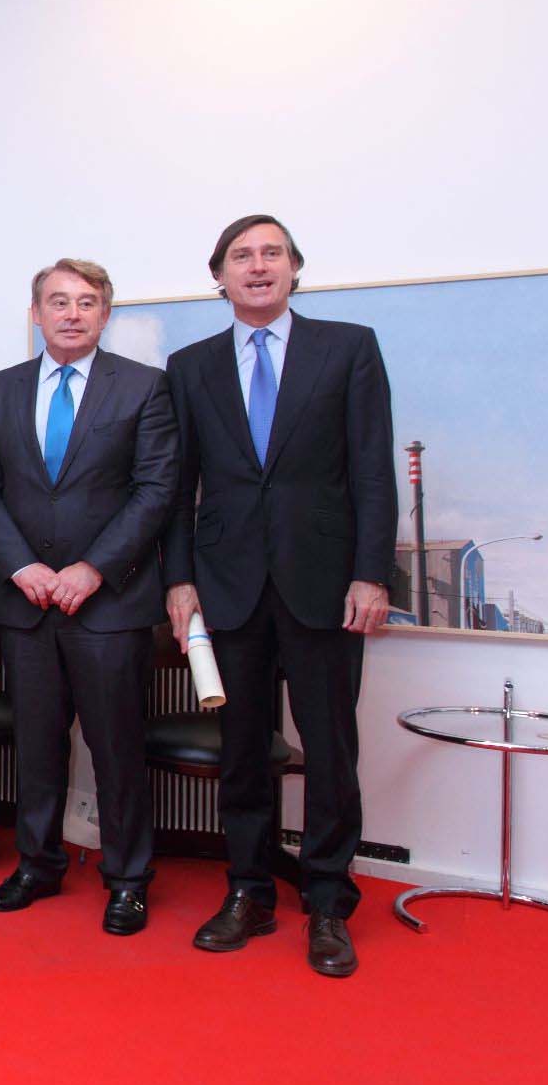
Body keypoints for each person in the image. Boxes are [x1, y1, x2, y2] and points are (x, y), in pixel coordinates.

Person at [164, 214, 397, 978]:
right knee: (242, 750)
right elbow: (177, 488)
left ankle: (327, 900)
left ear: (295, 268)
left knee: (330, 748)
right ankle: (249, 890)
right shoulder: (190, 366)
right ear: (219, 276)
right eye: (242, 255)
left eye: (272, 253)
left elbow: (372, 471)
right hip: (227, 586)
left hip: (325, 584)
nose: (257, 265)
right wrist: (179, 579)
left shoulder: (348, 347)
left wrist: (371, 573)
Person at [0, 261, 177, 936]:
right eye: (58, 301)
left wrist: (93, 569)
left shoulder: (143, 387)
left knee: (116, 748)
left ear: (105, 314)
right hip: (26, 603)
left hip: (108, 605)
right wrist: (20, 565)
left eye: (87, 302)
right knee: (35, 747)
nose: (72, 313)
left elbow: (155, 490)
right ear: (36, 313)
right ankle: (38, 863)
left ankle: (128, 878)